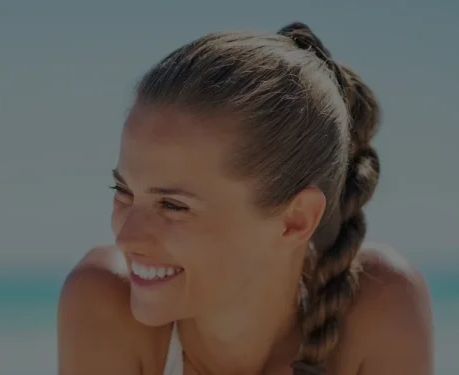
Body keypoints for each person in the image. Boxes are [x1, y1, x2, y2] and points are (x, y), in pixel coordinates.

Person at [56, 22, 433, 375]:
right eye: (123, 192)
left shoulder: (379, 306)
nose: (126, 238)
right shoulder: (104, 304)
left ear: (296, 219)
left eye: (173, 206)